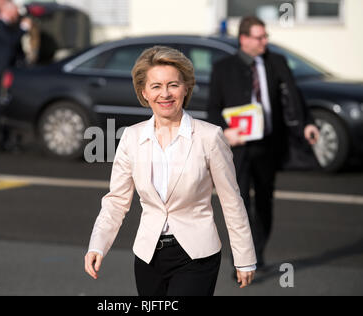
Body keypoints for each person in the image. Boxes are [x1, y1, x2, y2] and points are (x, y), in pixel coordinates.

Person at [85, 46, 257, 296]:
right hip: (148, 257)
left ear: (186, 88)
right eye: (156, 86)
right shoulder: (131, 138)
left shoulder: (210, 137)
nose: (165, 94)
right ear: (144, 92)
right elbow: (116, 201)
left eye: (173, 85)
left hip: (197, 256)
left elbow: (232, 201)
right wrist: (97, 246)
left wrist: (244, 257)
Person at [207, 16, 320, 269]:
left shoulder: (276, 62)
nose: (265, 41)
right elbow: (212, 108)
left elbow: (294, 95)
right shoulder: (223, 68)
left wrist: (308, 123)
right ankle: (242, 260)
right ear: (244, 39)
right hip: (238, 148)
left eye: (265, 36)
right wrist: (225, 132)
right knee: (239, 204)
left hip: (268, 144)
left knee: (265, 202)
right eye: (260, 37)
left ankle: (258, 251)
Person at [0, 1, 31, 153]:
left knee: (4, 108)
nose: (17, 15)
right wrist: (23, 29)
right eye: (15, 12)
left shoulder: (6, 26)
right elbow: (10, 45)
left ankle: (3, 141)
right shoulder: (0, 26)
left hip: (4, 73)